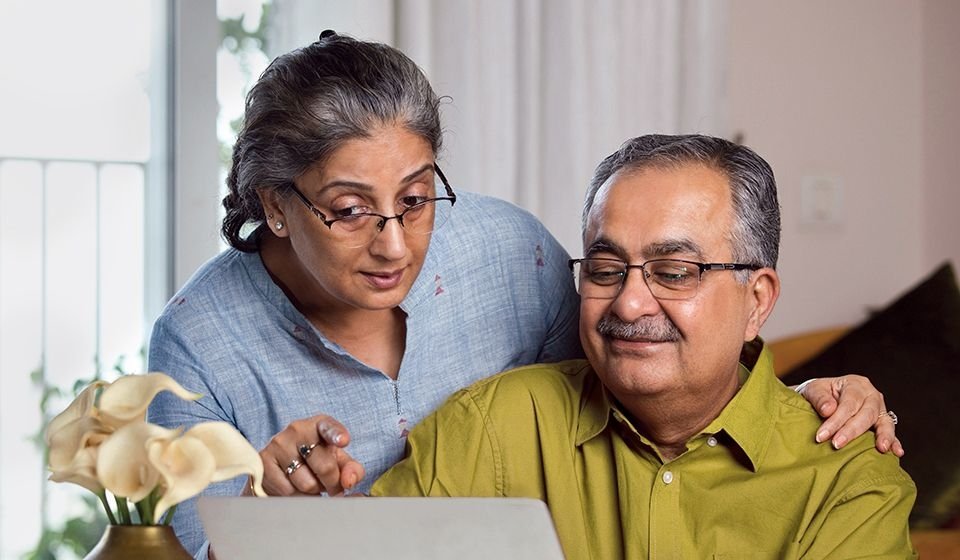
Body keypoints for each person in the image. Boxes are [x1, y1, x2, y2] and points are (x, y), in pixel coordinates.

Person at [147, 32, 900, 559]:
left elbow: (661, 371)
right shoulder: (202, 343)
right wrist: (277, 525)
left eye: (416, 198)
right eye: (348, 210)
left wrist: (789, 400)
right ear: (276, 205)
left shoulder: (511, 253)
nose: (395, 242)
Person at [372, 134, 916, 559]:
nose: (629, 304)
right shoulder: (491, 428)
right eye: (606, 270)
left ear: (757, 301)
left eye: (674, 272)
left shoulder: (846, 476)